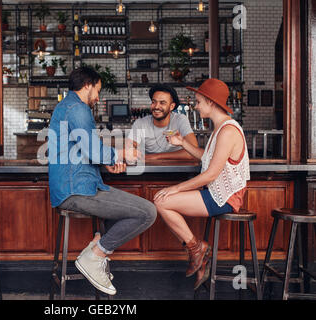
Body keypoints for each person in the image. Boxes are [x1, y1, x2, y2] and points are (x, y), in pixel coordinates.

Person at [48, 66, 157, 296]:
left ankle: (97, 246)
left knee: (124, 212)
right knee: (147, 212)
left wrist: (105, 161)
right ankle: (95, 255)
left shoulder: (66, 107)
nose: (98, 97)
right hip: (76, 190)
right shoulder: (78, 109)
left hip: (77, 186)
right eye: (97, 91)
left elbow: (85, 149)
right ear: (87, 85)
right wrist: (121, 155)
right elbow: (92, 149)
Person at [153, 79, 250, 290]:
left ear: (211, 102)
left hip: (225, 198)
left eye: (198, 102)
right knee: (162, 199)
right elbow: (206, 158)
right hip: (216, 193)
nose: (196, 106)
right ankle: (197, 250)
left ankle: (197, 249)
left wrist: (176, 187)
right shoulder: (220, 128)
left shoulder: (227, 131)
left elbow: (211, 174)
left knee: (162, 200)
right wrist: (182, 143)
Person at [126, 84, 198, 161]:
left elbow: (194, 152)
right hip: (148, 169)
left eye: (162, 103)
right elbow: (129, 151)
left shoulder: (180, 120)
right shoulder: (140, 123)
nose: (156, 107)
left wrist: (155, 157)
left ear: (172, 106)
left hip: (177, 169)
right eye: (154, 102)